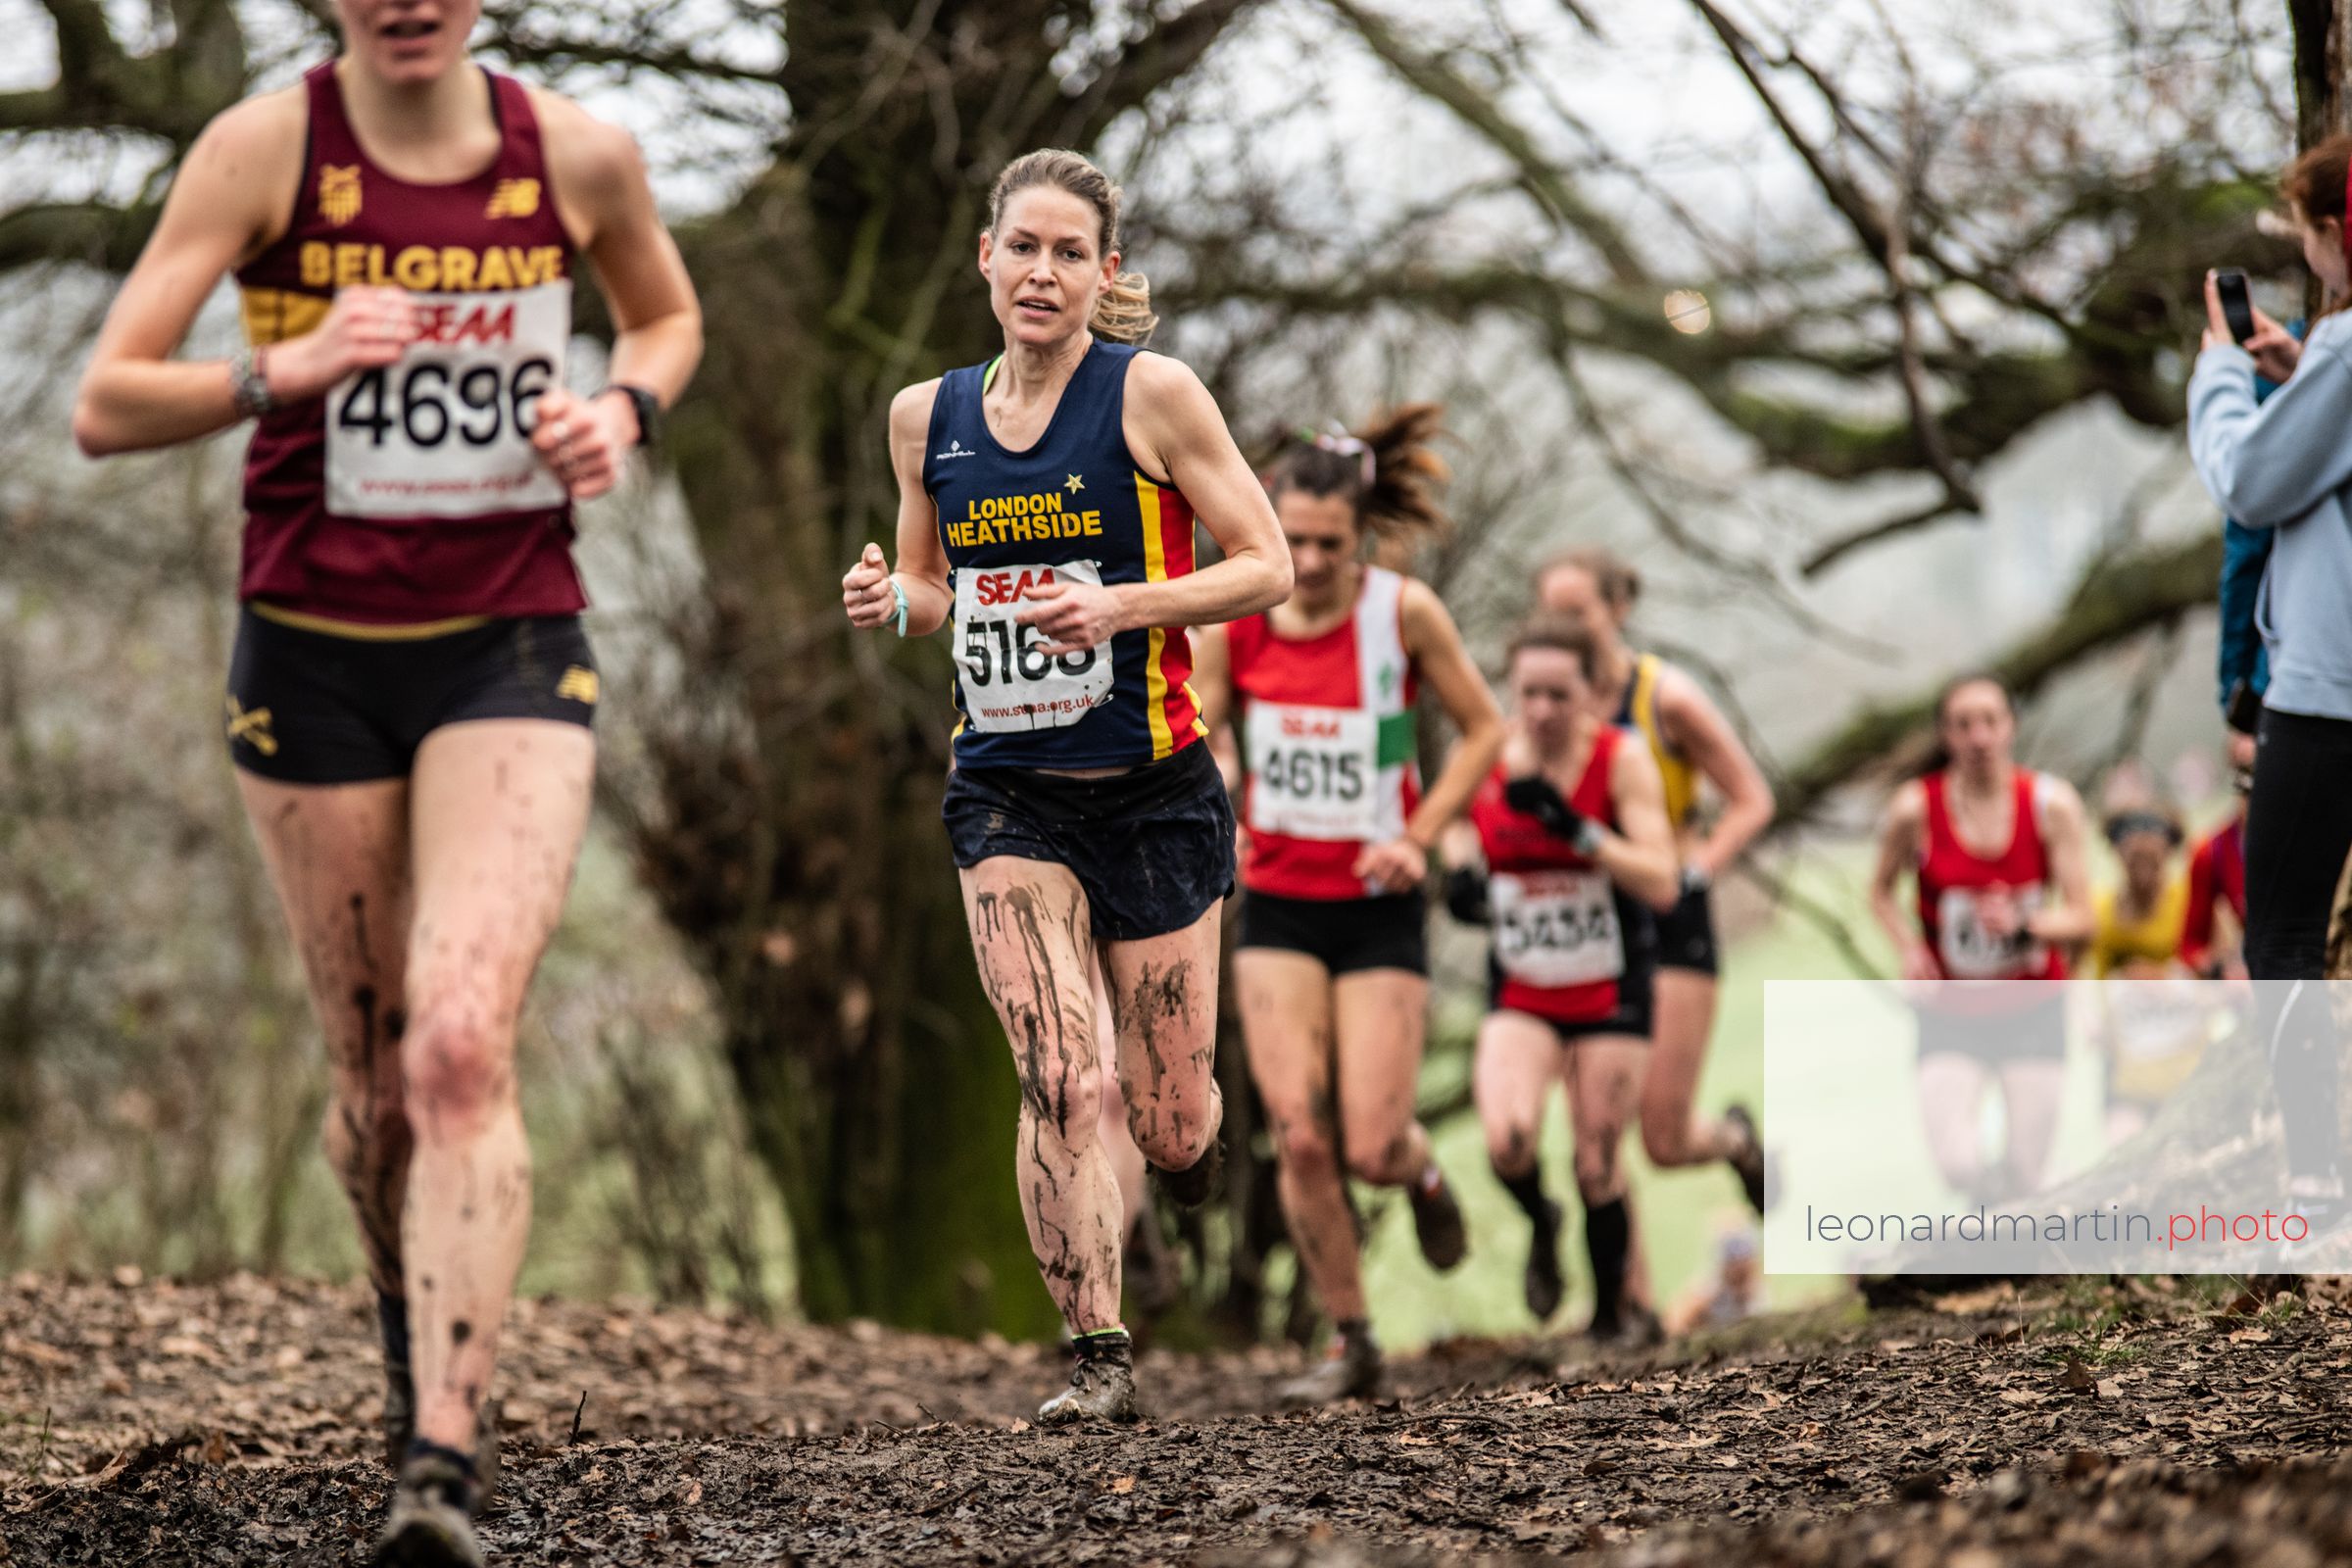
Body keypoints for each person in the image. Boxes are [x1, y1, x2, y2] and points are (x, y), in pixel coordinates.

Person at [71, 5, 703, 1561]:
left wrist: (618, 412)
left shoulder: (579, 155)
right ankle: (412, 1323)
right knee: (372, 1091)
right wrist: (281, 370)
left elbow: (666, 320)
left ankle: (441, 1466)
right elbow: (105, 401)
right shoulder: (263, 151)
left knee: (461, 1048)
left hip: (510, 646)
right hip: (312, 659)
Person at [841, 148, 1290, 1423]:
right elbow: (934, 588)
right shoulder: (926, 418)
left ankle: (1190, 1147)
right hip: (1008, 792)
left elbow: (1265, 564)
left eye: (1069, 253)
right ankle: (1097, 1353)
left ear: (1104, 272)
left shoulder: (1153, 396)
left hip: (1153, 789)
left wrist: (1124, 608)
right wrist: (890, 599)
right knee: (1058, 1073)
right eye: (1023, 247)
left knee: (1165, 1118)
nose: (1042, 273)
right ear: (986, 257)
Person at [1189, 407, 1505, 1405]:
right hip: (1281, 902)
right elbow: (1198, 731)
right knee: (1300, 1132)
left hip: (1376, 907)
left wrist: (1420, 836)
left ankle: (1421, 1175)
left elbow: (1486, 730)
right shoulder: (1235, 620)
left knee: (1371, 1144)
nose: (1314, 562)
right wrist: (1226, 796)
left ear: (1363, 535)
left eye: (1333, 543)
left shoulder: (1403, 614)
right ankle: (1352, 1338)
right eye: (1297, 540)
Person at [2186, 134, 2352, 1238]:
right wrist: (2301, 384)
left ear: (2336, 233)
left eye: (2305, 229)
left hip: (2327, 694)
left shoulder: (2347, 345)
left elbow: (2250, 480)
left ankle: (2321, 1188)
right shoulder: (2331, 360)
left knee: (2283, 935)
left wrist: (2222, 375)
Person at [1445, 614, 1681, 1343]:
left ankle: (1610, 1318)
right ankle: (1540, 1219)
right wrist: (1460, 869)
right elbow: (1452, 819)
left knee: (1597, 1162)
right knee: (1508, 1138)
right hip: (1524, 985)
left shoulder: (1622, 758)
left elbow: (1662, 880)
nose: (1542, 710)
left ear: (1591, 693)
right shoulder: (1486, 751)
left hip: (1610, 983)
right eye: (1529, 693)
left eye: (1559, 694)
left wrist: (1578, 830)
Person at [1536, 550, 1769, 1209]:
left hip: (1668, 916)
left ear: (1618, 608)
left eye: (1577, 612)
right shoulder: (1544, 706)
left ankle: (1737, 1142)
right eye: (1551, 614)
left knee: (1663, 1140)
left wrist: (1698, 871)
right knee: (1594, 1142)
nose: (1564, 628)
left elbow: (1752, 799)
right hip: (1585, 920)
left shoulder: (1666, 698)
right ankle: (1623, 1279)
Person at [1868, 676, 2092, 1203]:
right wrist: (1910, 948)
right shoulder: (1915, 809)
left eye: (1991, 721)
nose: (1979, 737)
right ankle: (1994, 1212)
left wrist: (2025, 925)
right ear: (1946, 735)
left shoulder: (2051, 804)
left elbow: (2083, 918)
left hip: (2032, 1008)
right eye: (1964, 725)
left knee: (2028, 1175)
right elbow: (1879, 893)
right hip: (1952, 1012)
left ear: (2011, 726)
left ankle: (2033, 1217)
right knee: (1958, 1165)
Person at [2088, 805, 2205, 1143]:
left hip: (2186, 1058)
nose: (2143, 872)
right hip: (2130, 1066)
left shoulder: (2190, 900)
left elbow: (2215, 969)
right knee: (2122, 1140)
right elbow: (2094, 986)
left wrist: (2164, 979)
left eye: (2152, 859)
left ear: (2169, 853)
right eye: (2132, 859)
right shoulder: (2103, 912)